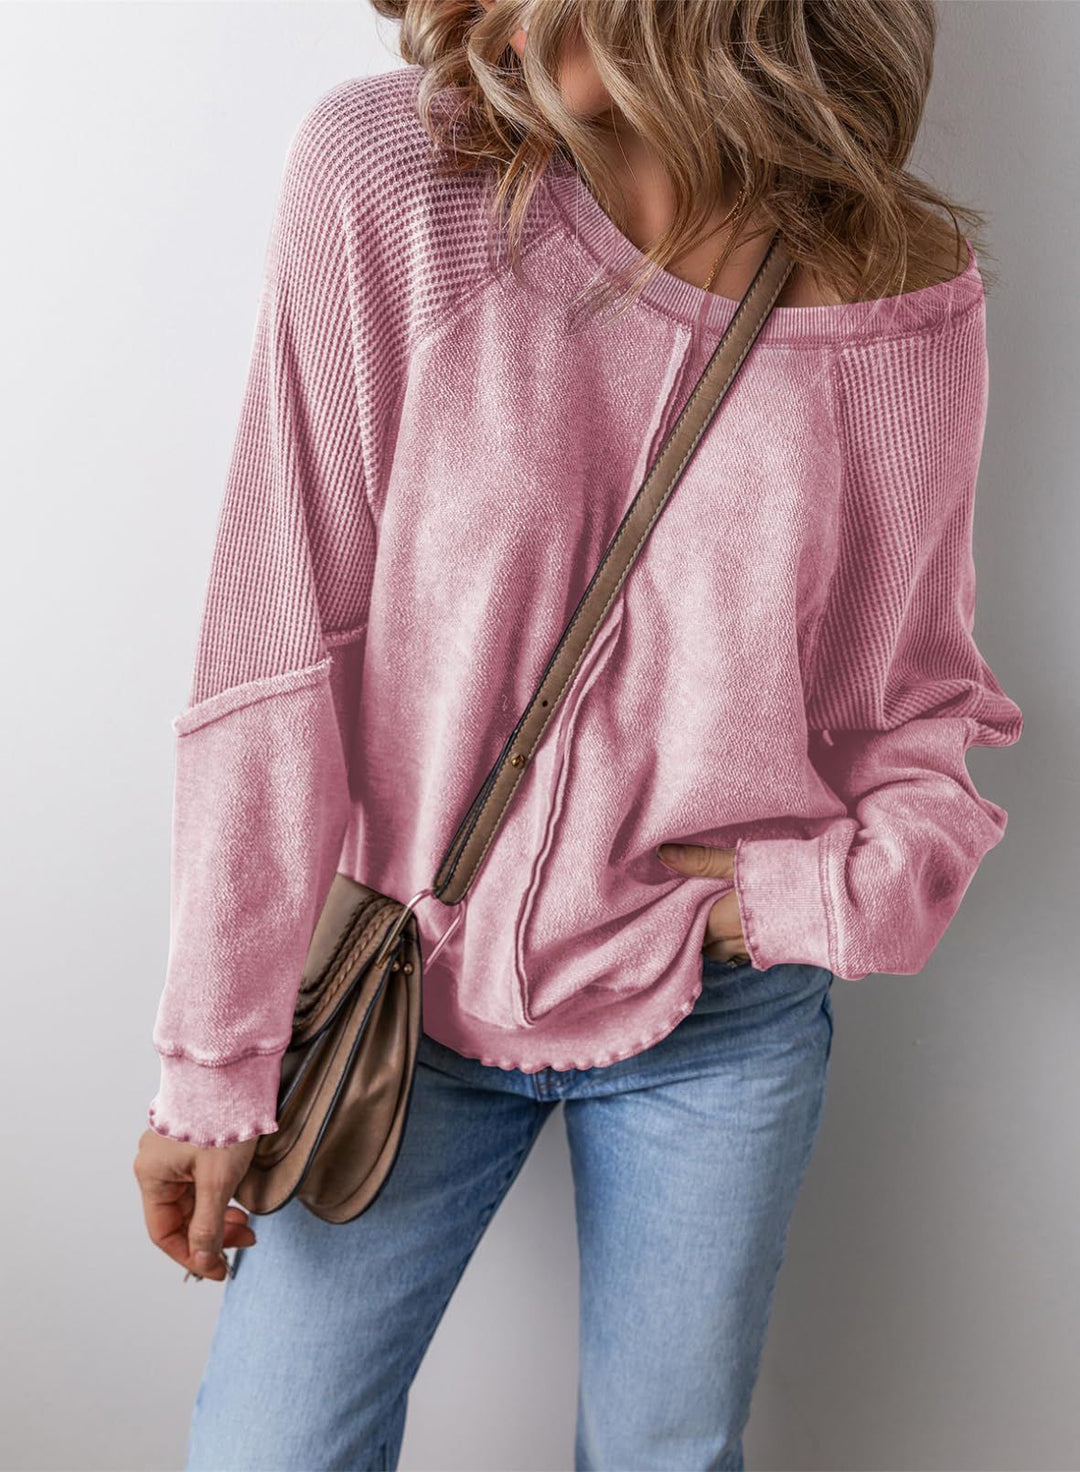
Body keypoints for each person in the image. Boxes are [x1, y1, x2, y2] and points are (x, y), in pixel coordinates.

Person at [133, 2, 1023, 1466]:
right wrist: (214, 1060)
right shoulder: (397, 177)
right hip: (404, 1001)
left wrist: (797, 900)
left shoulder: (894, 285)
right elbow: (276, 648)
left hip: (717, 1026)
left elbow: (911, 705)